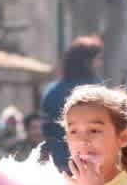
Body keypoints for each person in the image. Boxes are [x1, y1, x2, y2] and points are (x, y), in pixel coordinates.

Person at [40, 35, 104, 174]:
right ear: (87, 62)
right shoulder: (97, 90)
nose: (100, 63)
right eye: (98, 59)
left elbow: (46, 130)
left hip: (60, 164)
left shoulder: (52, 91)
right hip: (91, 164)